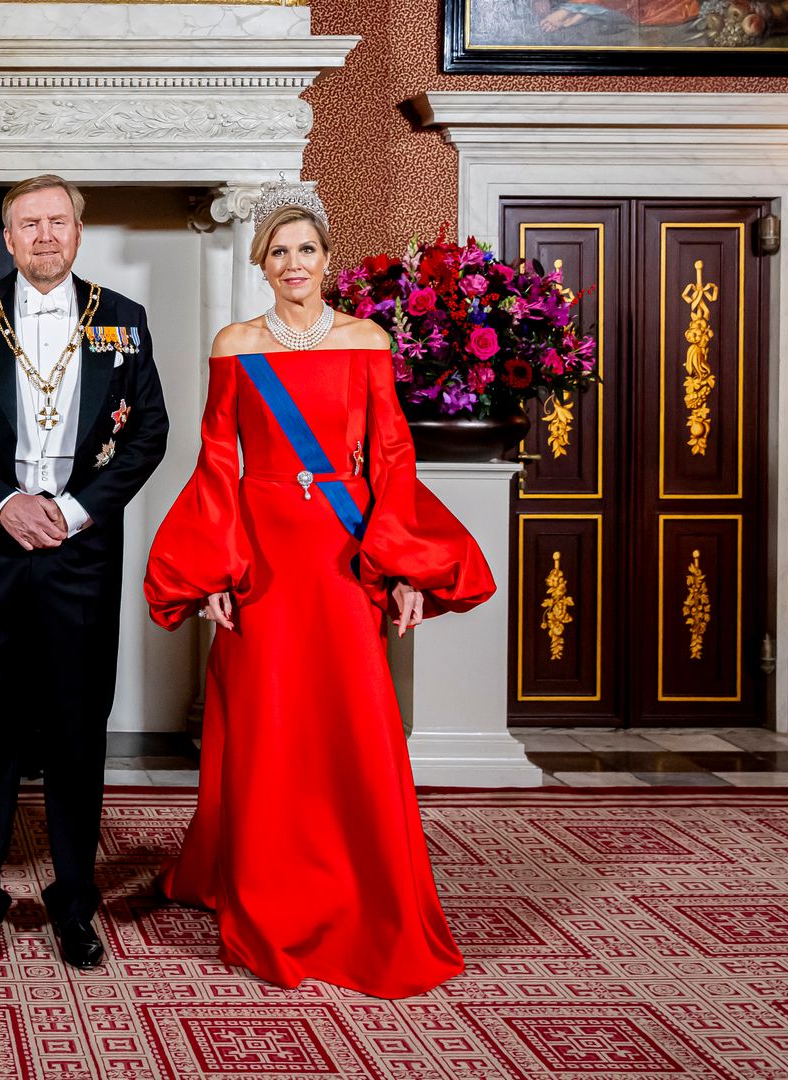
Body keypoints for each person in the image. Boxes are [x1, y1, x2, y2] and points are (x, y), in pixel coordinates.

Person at [142, 184, 495, 998]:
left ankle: (361, 891)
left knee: (350, 721)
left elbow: (393, 457)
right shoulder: (235, 344)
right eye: (279, 251)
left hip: (341, 558)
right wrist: (212, 575)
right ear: (260, 263)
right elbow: (217, 462)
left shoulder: (366, 338)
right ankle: (266, 893)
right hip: (264, 561)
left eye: (307, 249)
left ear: (327, 259)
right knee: (267, 722)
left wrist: (402, 566)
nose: (294, 264)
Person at [0, 175, 169, 972]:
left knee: (74, 734)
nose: (46, 235)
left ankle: (73, 905)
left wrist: (75, 509)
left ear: (80, 231)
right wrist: (2, 503)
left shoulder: (122, 320)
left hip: (82, 555)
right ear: (8, 238)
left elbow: (150, 433)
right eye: (30, 223)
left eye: (58, 221)